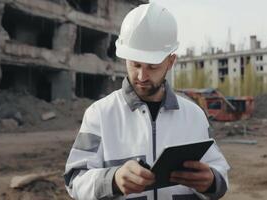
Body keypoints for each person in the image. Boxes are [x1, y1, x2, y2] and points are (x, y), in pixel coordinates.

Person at [64, 3, 230, 200]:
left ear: (170, 62)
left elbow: (220, 173)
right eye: (135, 64)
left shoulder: (194, 115)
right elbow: (75, 181)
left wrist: (211, 181)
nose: (142, 76)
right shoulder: (99, 114)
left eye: (152, 66)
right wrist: (113, 180)